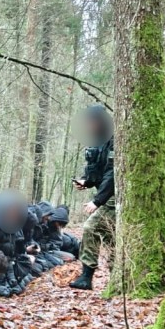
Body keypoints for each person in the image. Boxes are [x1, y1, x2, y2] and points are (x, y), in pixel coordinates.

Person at [69, 105, 115, 290]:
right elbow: (97, 171)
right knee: (111, 237)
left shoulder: (114, 140)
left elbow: (113, 175)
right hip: (106, 196)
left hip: (113, 197)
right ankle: (116, 279)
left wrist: (97, 201)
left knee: (90, 228)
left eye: (92, 122)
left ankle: (87, 277)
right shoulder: (97, 141)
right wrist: (85, 182)